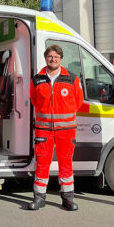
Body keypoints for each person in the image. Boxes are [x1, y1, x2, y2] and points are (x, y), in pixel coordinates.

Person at [28, 45, 84, 211]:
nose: (53, 59)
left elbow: (79, 101)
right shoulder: (37, 79)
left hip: (66, 131)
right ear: (46, 58)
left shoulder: (72, 78)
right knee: (42, 164)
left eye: (56, 57)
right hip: (43, 129)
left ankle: (67, 198)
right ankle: (39, 198)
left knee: (66, 163)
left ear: (61, 59)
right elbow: (34, 100)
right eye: (50, 56)